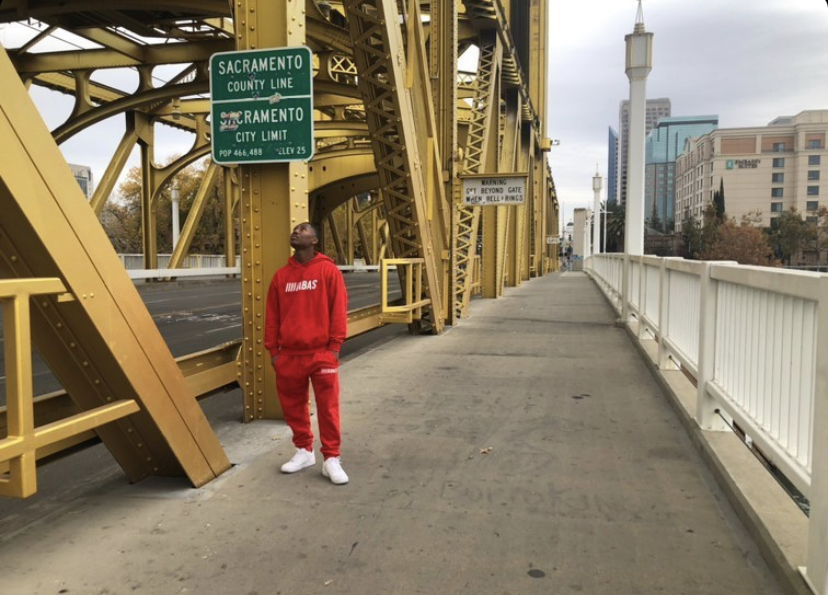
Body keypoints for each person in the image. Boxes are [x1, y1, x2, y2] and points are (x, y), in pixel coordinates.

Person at [264, 222, 349, 485]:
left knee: (328, 407)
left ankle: (331, 458)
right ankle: (304, 451)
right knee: (293, 406)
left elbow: (338, 309)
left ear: (314, 241)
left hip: (321, 352)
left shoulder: (328, 271)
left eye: (302, 229)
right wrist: (274, 352)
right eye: (294, 229)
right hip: (289, 355)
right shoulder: (281, 276)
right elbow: (272, 316)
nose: (295, 231)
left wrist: (334, 348)